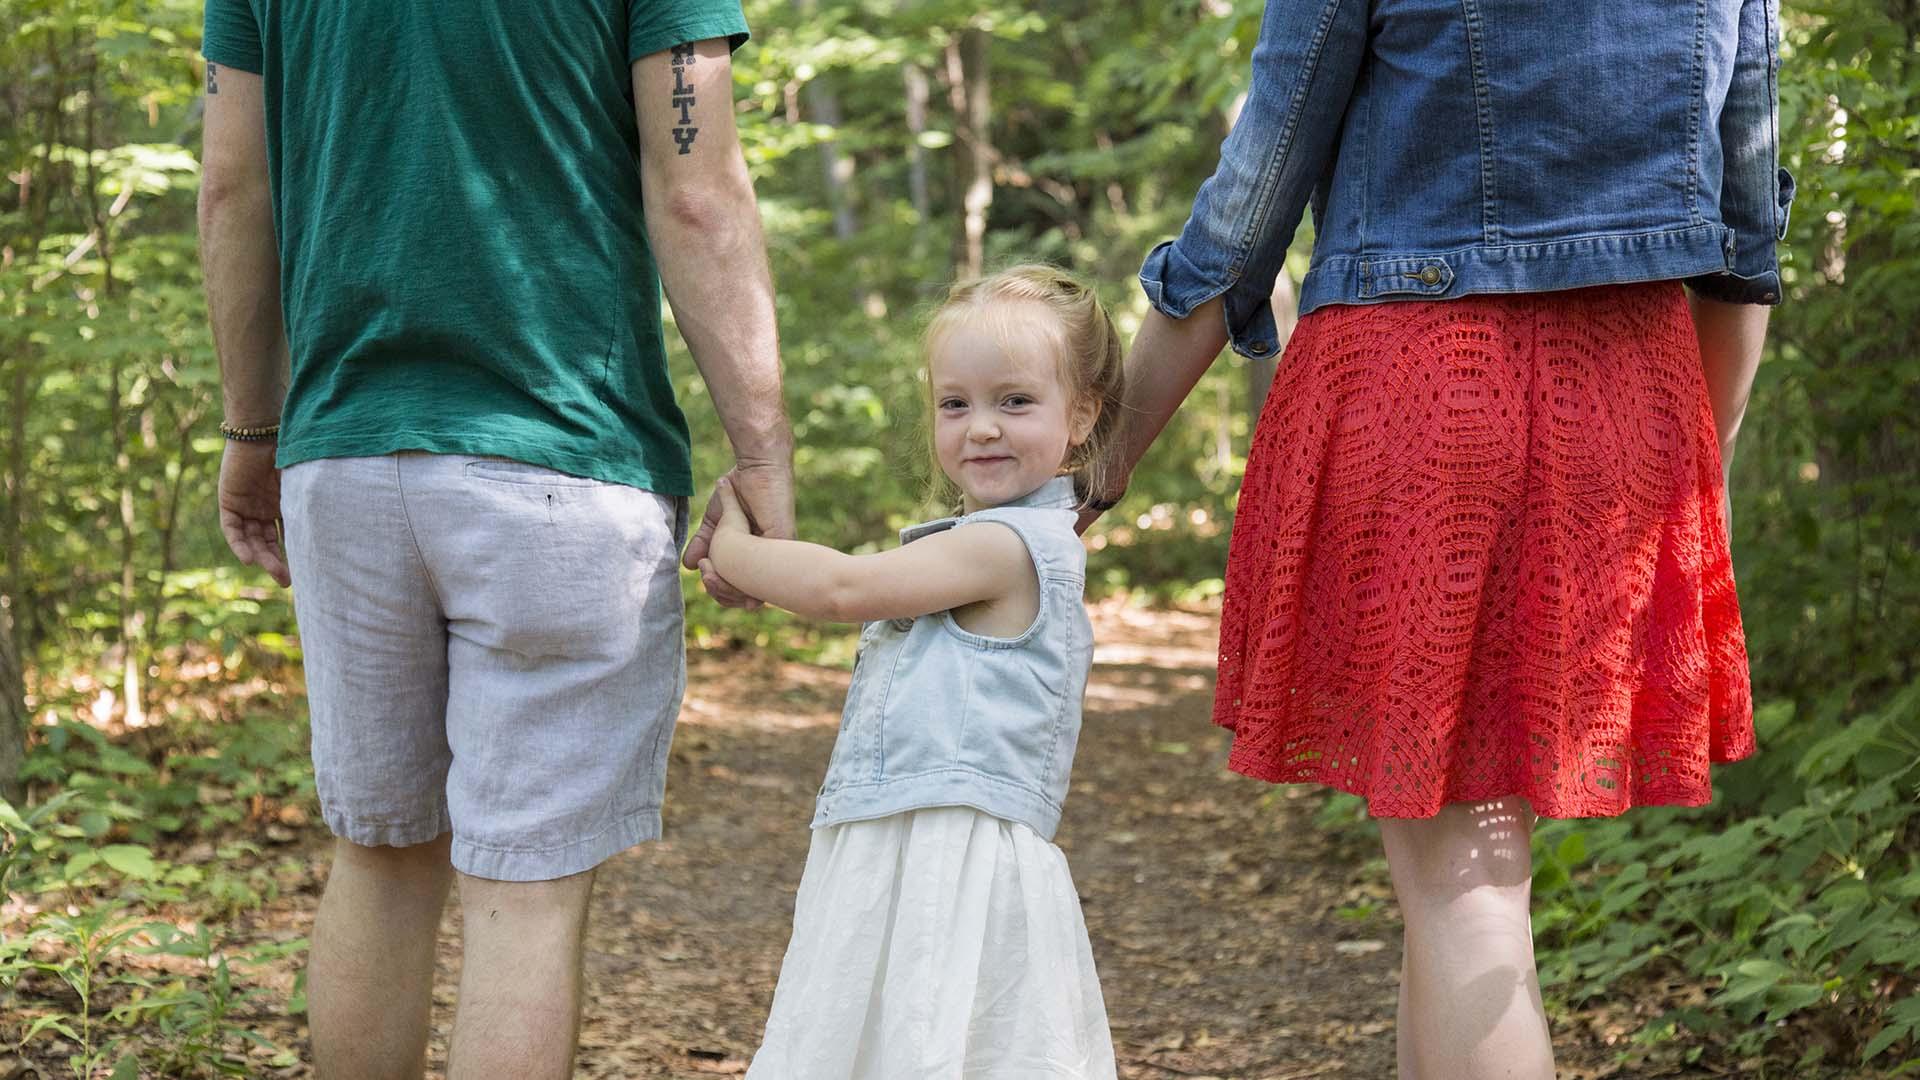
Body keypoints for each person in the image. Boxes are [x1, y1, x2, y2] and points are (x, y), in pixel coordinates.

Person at [1086, 1, 1791, 1077]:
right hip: (1631, 401)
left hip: (1420, 388)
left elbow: (1250, 203)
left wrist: (1109, 452)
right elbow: (1746, 236)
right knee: (1453, 875)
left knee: (1463, 882)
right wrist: (1702, 460)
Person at [197, 1, 791, 1075]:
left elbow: (236, 188)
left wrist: (252, 427)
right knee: (526, 891)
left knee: (379, 859)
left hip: (345, 459)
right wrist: (761, 455)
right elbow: (698, 194)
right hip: (565, 459)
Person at [702, 266, 1122, 1078]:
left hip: (950, 862)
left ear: (1082, 414)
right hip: (898, 844)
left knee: (939, 1043)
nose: (982, 428)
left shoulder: (1009, 546)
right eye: (955, 403)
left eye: (1015, 401)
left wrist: (732, 544)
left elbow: (842, 588)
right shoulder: (983, 538)